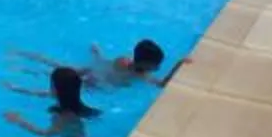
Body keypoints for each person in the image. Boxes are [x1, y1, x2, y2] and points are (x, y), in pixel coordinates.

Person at [2, 64, 100, 137]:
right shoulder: (70, 98)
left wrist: (19, 120)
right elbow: (40, 93)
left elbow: (46, 133)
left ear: (55, 89)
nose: (49, 88)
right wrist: (15, 88)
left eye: (51, 85)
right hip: (78, 133)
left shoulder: (64, 116)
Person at [12, 39, 175, 91]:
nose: (158, 68)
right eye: (156, 65)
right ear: (146, 64)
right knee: (58, 85)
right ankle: (24, 72)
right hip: (94, 82)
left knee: (58, 67)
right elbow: (162, 85)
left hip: (93, 70)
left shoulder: (124, 59)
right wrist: (179, 64)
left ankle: (22, 54)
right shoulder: (141, 76)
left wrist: (97, 54)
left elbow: (106, 63)